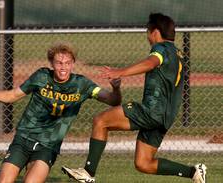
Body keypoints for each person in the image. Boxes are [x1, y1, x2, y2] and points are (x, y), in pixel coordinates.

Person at [61, 13, 207, 183]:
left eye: (148, 31)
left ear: (155, 31)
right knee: (143, 163)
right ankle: (193, 172)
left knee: (101, 121)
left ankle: (88, 171)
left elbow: (152, 62)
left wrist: (120, 72)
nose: (147, 35)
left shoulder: (160, 49)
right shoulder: (177, 53)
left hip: (151, 111)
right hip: (166, 117)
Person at [0, 42, 122, 183]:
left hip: (48, 146)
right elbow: (12, 96)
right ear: (52, 63)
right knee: (4, 181)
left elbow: (112, 100)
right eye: (59, 63)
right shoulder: (41, 77)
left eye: (67, 63)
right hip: (24, 138)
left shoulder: (82, 84)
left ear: (72, 64)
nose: (63, 67)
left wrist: (116, 89)